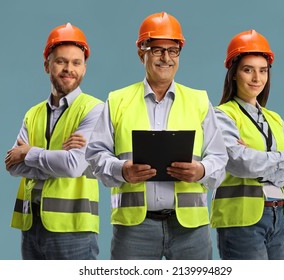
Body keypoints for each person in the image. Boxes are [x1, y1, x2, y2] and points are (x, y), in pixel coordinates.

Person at [86, 11, 228, 260]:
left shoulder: (199, 101)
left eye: (172, 50)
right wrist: (122, 170)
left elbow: (219, 156)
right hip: (134, 230)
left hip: (190, 231)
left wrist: (202, 171)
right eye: (157, 50)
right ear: (142, 53)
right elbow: (95, 154)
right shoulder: (117, 101)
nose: (166, 58)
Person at [4, 23, 104, 260]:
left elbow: (72, 166)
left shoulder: (94, 110)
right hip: (31, 225)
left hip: (73, 229)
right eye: (61, 61)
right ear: (47, 65)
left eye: (76, 63)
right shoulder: (33, 113)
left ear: (84, 68)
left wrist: (29, 153)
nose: (69, 68)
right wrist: (53, 159)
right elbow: (12, 165)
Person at [210, 29, 284, 260]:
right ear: (234, 74)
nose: (257, 78)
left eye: (262, 71)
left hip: (281, 217)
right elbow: (242, 164)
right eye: (248, 70)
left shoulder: (275, 119)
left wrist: (260, 161)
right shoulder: (222, 116)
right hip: (242, 221)